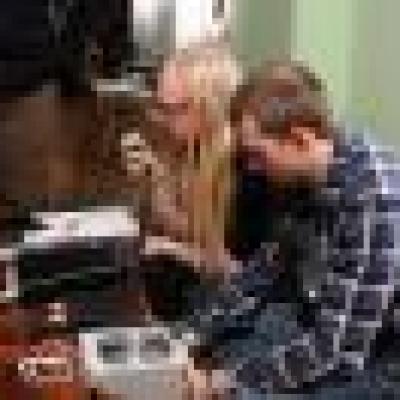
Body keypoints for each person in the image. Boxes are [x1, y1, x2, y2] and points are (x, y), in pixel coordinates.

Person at [207, 60, 400, 398]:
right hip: (330, 325)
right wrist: (189, 336)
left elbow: (337, 353)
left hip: (383, 357)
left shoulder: (374, 196)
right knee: (226, 347)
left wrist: (226, 382)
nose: (251, 168)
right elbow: (261, 274)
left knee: (239, 388)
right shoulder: (305, 180)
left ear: (300, 139)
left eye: (257, 155)